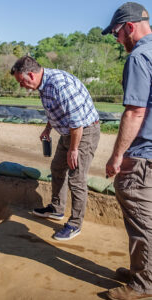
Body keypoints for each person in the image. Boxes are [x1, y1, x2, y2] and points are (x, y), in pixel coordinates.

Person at [10, 56, 100, 241]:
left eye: (22, 81)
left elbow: (77, 123)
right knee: (57, 168)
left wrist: (73, 150)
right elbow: (55, 110)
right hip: (69, 132)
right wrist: (48, 129)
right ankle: (57, 209)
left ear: (32, 75)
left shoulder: (59, 85)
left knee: (76, 177)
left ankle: (75, 224)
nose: (21, 86)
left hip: (83, 133)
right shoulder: (44, 84)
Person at [103, 2, 152, 299]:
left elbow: (135, 112)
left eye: (116, 34)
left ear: (129, 27)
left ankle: (144, 283)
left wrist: (117, 155)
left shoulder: (139, 57)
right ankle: (141, 269)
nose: (117, 40)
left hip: (144, 153)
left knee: (141, 216)